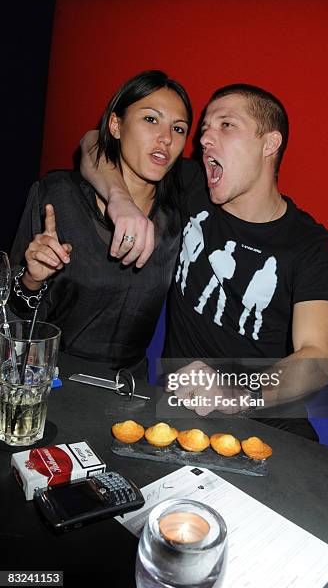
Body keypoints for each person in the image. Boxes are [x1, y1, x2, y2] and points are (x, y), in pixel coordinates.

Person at [81, 83, 328, 440]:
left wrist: (238, 394)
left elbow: (318, 358)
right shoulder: (192, 186)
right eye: (204, 129)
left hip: (267, 424)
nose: (204, 138)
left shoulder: (309, 244)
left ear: (269, 143)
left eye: (226, 125)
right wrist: (119, 200)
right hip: (182, 411)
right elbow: (95, 142)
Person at [8, 70, 197, 374]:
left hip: (128, 389)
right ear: (116, 125)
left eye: (179, 128)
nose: (166, 138)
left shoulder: (181, 210)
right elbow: (11, 313)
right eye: (151, 119)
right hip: (51, 375)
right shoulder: (59, 197)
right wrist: (33, 279)